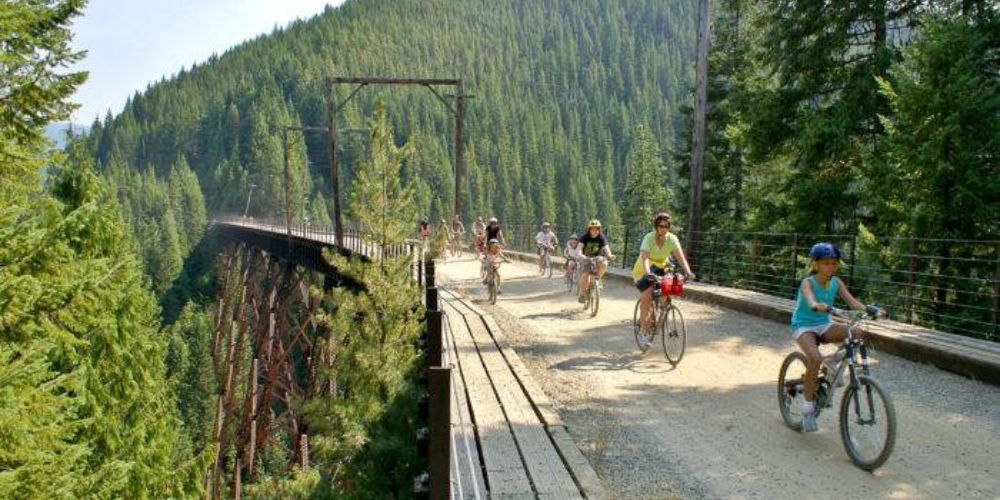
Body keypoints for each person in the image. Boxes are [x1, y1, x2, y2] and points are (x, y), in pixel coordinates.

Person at [790, 242, 882, 432]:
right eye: (826, 263)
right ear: (815, 264)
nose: (831, 266)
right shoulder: (808, 282)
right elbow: (809, 298)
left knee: (856, 332)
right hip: (804, 326)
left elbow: (852, 302)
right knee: (814, 358)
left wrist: (872, 310)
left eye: (834, 263)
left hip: (824, 324)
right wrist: (816, 304)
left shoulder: (836, 282)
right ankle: (808, 408)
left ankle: (832, 363)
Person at [632, 213, 694, 349]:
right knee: (647, 300)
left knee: (668, 291)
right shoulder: (649, 237)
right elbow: (645, 257)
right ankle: (643, 332)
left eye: (666, 226)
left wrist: (688, 272)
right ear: (656, 226)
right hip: (644, 269)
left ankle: (659, 314)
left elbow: (680, 257)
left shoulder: (672, 239)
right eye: (661, 226)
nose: (664, 229)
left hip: (662, 268)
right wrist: (648, 273)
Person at [577, 219, 614, 304]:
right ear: (589, 229)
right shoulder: (584, 237)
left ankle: (598, 278)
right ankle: (582, 293)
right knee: (585, 276)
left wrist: (610, 255)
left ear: (599, 229)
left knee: (604, 263)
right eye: (592, 229)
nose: (594, 231)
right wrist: (581, 255)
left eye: (596, 229)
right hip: (586, 258)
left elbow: (606, 247)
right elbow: (579, 248)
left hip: (598, 257)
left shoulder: (601, 237)